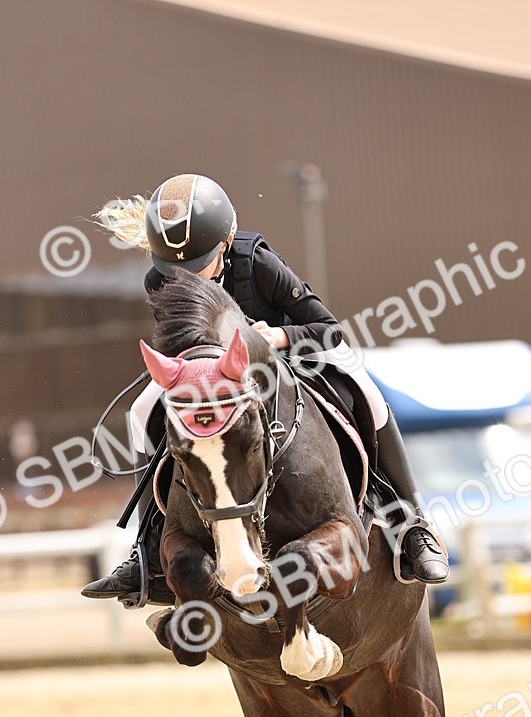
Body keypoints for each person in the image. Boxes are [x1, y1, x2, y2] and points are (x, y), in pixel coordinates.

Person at [82, 174, 448, 601]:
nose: (188, 278)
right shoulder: (160, 281)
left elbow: (329, 331)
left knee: (368, 393)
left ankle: (411, 523)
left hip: (292, 358)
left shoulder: (256, 263)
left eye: (197, 264)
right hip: (218, 381)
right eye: (176, 269)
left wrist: (277, 337)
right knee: (143, 409)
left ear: (226, 242)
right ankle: (147, 551)